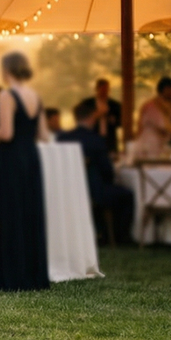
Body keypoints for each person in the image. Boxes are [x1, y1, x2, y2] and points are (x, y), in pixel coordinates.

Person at [0, 51, 51, 292]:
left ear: (7, 70)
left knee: (10, 213)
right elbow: (43, 135)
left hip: (11, 159)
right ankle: (33, 275)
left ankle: (10, 277)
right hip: (31, 157)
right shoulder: (35, 96)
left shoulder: (6, 96)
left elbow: (6, 133)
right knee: (29, 213)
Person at [59, 100, 135, 245]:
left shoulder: (63, 138)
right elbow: (107, 170)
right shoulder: (96, 140)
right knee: (126, 195)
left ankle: (101, 231)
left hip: (67, 192)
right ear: (92, 117)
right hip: (94, 191)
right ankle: (119, 237)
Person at [129, 78, 171, 161]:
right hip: (150, 144)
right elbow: (166, 127)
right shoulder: (151, 106)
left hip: (161, 144)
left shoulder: (169, 105)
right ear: (166, 89)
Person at [75, 78, 123, 153]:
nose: (105, 92)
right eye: (102, 89)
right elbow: (80, 118)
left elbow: (120, 122)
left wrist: (113, 120)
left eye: (107, 89)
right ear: (97, 89)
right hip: (92, 136)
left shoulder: (115, 105)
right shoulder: (87, 103)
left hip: (109, 139)